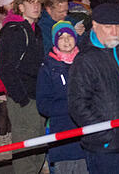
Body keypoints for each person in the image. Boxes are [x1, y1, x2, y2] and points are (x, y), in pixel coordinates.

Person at [68, 3, 119, 172]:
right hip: (105, 147)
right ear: (95, 26)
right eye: (108, 27)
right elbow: (78, 105)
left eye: (118, 27)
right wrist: (104, 134)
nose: (115, 32)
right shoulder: (85, 59)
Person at [0, 0, 46, 173]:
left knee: (38, 143)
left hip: (36, 94)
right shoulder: (15, 31)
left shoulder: (35, 29)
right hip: (25, 97)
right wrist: (22, 99)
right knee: (26, 147)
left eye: (38, 2)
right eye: (30, 2)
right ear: (20, 7)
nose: (36, 6)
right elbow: (7, 68)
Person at [37, 21, 86, 174]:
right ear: (54, 41)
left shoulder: (85, 62)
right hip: (62, 131)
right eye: (61, 37)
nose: (66, 40)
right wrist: (71, 106)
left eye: (69, 36)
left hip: (85, 132)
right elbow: (43, 104)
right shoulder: (47, 67)